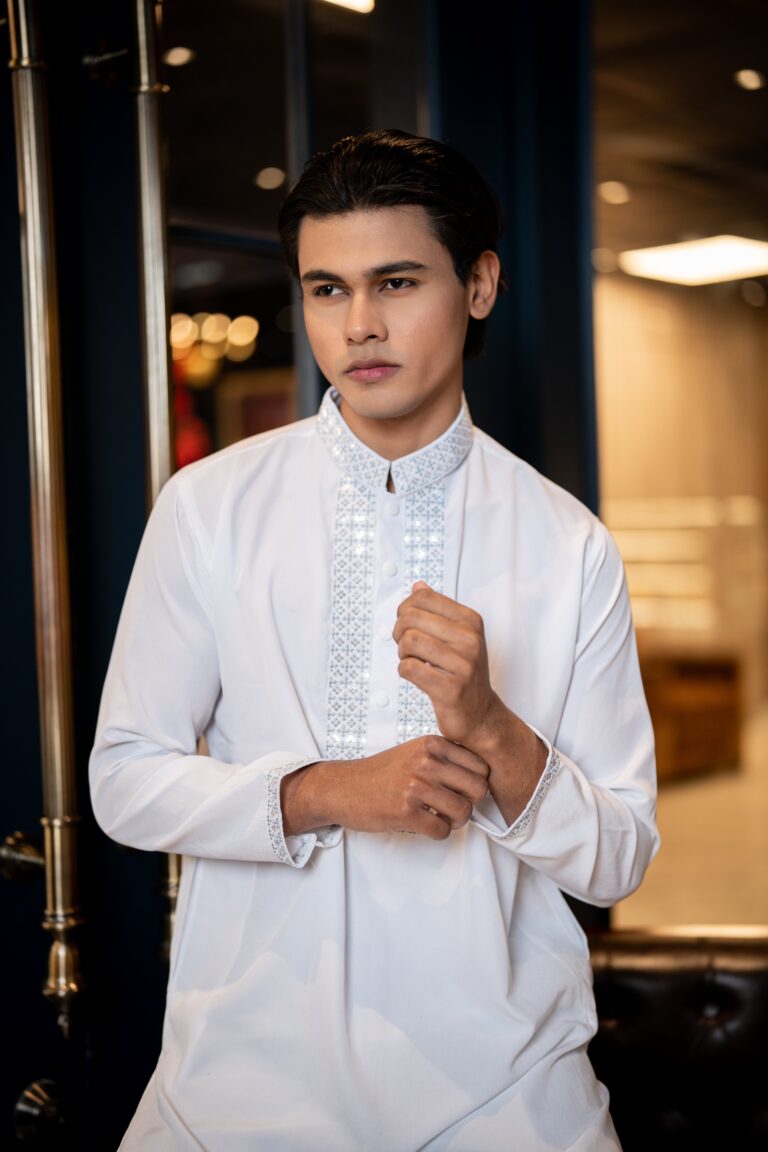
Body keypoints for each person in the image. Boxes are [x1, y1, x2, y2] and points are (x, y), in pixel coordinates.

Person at [90, 128, 659, 1151]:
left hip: (510, 1095)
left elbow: (619, 859)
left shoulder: (567, 542)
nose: (359, 325)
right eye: (327, 289)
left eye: (396, 281)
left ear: (479, 285)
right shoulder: (210, 508)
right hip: (239, 1088)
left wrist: (492, 726)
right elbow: (123, 779)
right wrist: (328, 791)